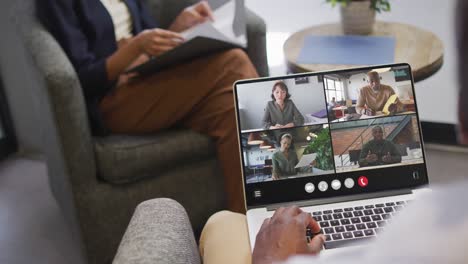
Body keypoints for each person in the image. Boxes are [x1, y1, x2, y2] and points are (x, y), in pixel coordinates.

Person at [198, 2, 468, 263]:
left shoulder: (419, 229)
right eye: (277, 91)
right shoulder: (429, 220)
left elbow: (300, 122)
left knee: (222, 222)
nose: (373, 82)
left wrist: (270, 258)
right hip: (300, 195)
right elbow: (282, 140)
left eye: (282, 91)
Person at [37, 0, 258, 213]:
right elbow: (82, 80)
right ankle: (274, 212)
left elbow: (148, 38)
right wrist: (134, 48)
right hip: (112, 98)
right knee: (234, 63)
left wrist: (176, 28)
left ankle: (255, 229)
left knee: (231, 106)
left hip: (148, 75)